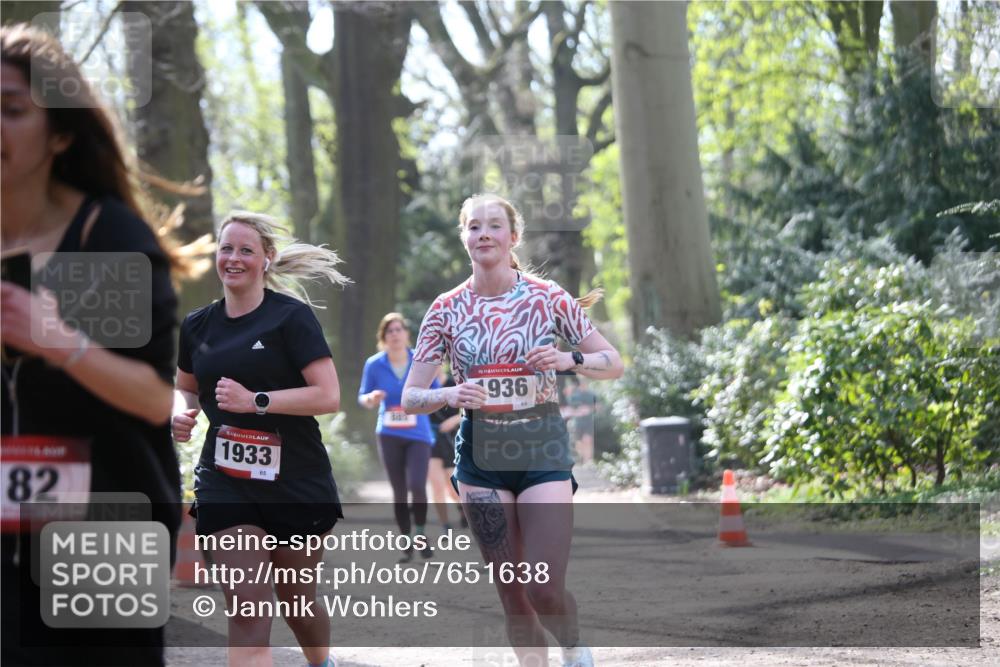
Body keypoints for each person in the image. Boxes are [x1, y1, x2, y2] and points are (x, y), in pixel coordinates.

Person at [1, 23, 193, 666]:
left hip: (103, 528)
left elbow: (154, 398)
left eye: (11, 109)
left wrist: (57, 340)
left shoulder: (99, 239)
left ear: (60, 134)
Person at [402, 194, 624, 667]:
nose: (484, 233)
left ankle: (573, 646)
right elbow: (411, 397)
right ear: (464, 238)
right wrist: (451, 393)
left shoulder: (547, 297)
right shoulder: (446, 309)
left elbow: (613, 362)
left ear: (513, 236)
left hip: (541, 449)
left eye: (494, 225)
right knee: (513, 594)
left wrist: (567, 359)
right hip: (481, 457)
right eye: (474, 226)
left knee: (544, 589)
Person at [171, 211, 348, 667]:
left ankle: (321, 662)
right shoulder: (197, 325)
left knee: (298, 603)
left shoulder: (291, 318)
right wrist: (180, 412)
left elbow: (328, 395)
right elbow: (185, 385)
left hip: (296, 480)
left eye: (245, 250)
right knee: (247, 607)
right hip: (225, 481)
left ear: (266, 258)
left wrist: (257, 402)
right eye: (226, 248)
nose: (233, 258)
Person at [358, 313, 438, 562]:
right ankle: (406, 541)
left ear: (406, 334)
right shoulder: (375, 364)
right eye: (389, 331)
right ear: (383, 337)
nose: (394, 334)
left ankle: (421, 533)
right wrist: (371, 399)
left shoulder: (420, 361)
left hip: (418, 433)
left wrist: (423, 399)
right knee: (400, 491)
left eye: (398, 329)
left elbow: (436, 393)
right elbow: (362, 396)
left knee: (417, 485)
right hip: (389, 433)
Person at [427, 364, 464, 530]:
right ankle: (445, 523)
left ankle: (462, 509)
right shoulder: (422, 387)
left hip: (451, 438)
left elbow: (469, 410)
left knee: (452, 485)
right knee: (436, 484)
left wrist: (453, 421)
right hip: (431, 439)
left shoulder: (454, 382)